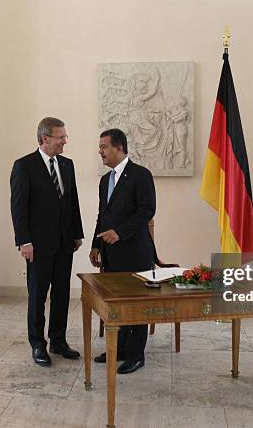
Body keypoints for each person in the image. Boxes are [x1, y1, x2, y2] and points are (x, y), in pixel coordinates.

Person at [10, 117, 84, 366]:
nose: (65, 141)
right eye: (61, 137)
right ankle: (37, 344)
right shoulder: (24, 166)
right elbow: (19, 208)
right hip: (38, 246)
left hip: (65, 243)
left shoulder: (67, 164)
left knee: (62, 294)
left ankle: (58, 341)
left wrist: (77, 233)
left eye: (64, 136)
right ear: (45, 139)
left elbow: (72, 201)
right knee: (38, 296)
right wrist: (24, 241)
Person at [89, 128, 156, 374]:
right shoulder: (104, 180)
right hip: (111, 254)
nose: (100, 152)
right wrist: (96, 245)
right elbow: (102, 215)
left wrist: (119, 232)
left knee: (136, 305)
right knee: (115, 304)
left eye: (104, 147)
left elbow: (147, 211)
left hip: (136, 252)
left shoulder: (141, 175)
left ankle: (136, 354)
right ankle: (118, 348)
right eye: (100, 147)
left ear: (119, 147)